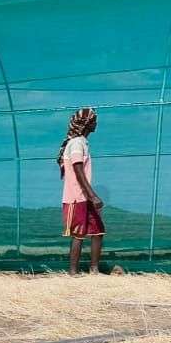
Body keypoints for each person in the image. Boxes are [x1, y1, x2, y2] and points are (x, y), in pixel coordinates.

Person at [58, 107, 104, 275]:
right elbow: (78, 170)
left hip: (86, 197)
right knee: (78, 234)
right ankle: (73, 272)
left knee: (98, 230)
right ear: (86, 123)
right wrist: (93, 195)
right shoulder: (76, 143)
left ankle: (94, 269)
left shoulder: (83, 142)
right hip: (76, 198)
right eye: (93, 120)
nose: (95, 123)